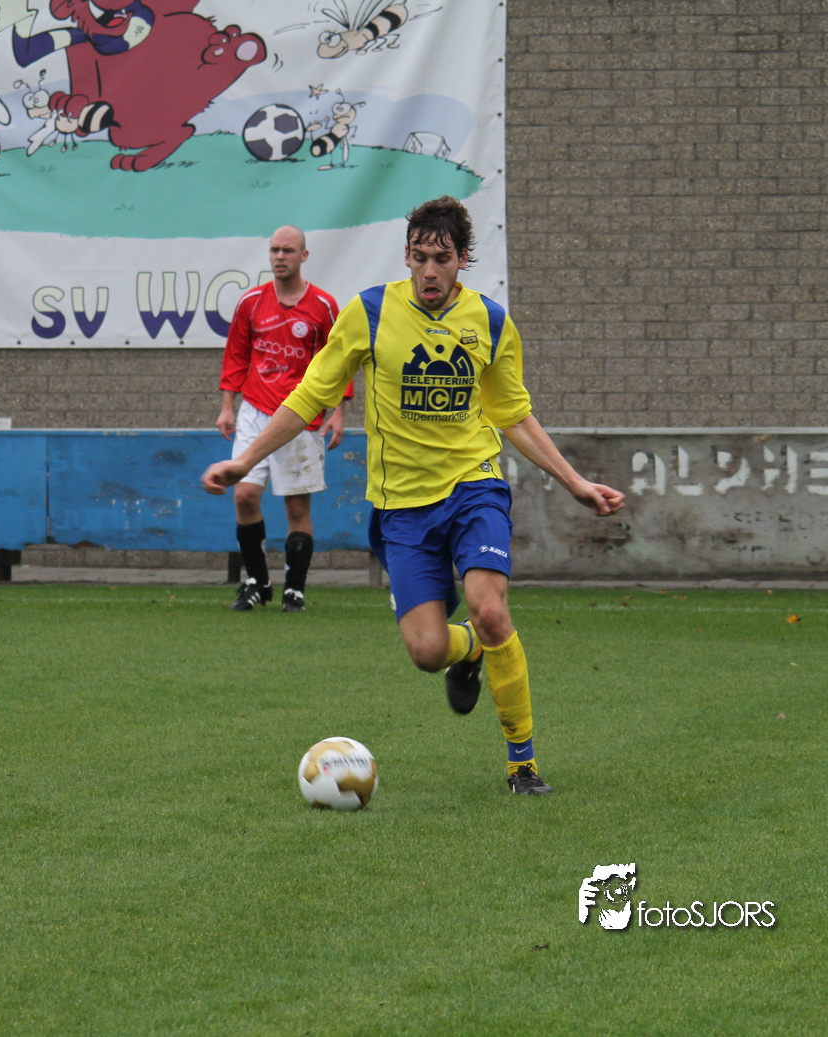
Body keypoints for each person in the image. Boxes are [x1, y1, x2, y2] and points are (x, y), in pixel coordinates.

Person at [202, 196, 626, 795]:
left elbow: (513, 413)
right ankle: (469, 650)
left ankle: (522, 764)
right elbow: (310, 394)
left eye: (442, 259)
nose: (430, 271)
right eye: (420, 257)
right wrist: (246, 459)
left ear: (463, 261)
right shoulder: (370, 312)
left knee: (490, 609)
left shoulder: (491, 322)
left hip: (474, 487)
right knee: (428, 652)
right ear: (406, 255)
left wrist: (575, 481)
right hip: (401, 505)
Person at [216, 225, 349, 613]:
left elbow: (339, 362)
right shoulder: (251, 302)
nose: (279, 256)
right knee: (244, 495)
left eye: (288, 250)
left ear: (303, 256)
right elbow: (237, 354)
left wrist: (339, 412)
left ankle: (295, 589)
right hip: (255, 410)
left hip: (301, 416)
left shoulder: (323, 305)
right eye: (274, 250)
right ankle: (257, 583)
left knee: (296, 508)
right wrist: (227, 405)